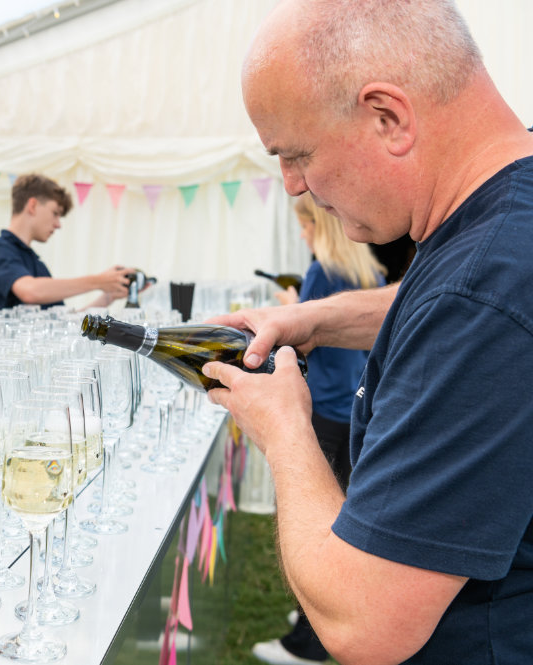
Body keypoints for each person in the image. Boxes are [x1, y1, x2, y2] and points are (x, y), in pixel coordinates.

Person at [201, 1, 533, 664]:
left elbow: (363, 623)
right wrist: (314, 318)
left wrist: (284, 427)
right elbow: (434, 304)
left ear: (387, 117)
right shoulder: (498, 224)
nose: (294, 186)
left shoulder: (483, 286)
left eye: (297, 155)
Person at [252, 193, 386, 665]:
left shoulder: (319, 271)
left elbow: (298, 346)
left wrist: (291, 306)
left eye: (304, 226)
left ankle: (308, 644)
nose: (304, 235)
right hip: (355, 405)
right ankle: (311, 622)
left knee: (314, 530)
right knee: (342, 513)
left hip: (323, 406)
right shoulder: (368, 273)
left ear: (315, 225)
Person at [0, 173, 137, 311]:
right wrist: (98, 281)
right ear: (32, 206)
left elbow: (60, 324)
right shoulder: (0, 250)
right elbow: (30, 291)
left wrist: (108, 298)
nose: (58, 224)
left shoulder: (35, 263)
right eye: (55, 213)